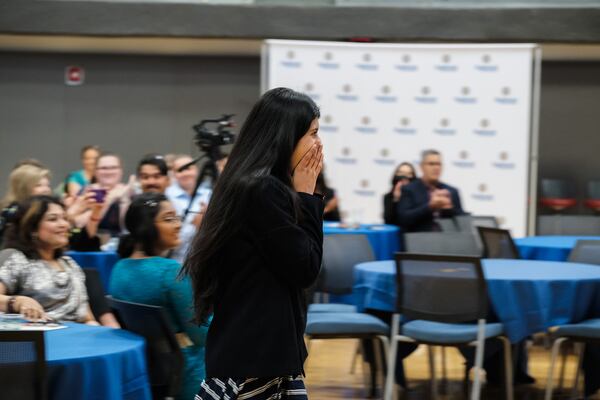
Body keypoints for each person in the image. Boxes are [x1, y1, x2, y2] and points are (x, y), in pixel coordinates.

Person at [183, 87, 324, 399]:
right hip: (254, 359)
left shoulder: (255, 184)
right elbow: (306, 267)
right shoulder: (261, 190)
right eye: (313, 133)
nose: (319, 143)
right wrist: (307, 196)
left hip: (260, 352)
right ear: (287, 136)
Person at [109, 193, 208, 400]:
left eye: (177, 217)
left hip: (146, 370)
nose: (178, 225)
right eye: (169, 218)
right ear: (146, 227)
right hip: (189, 374)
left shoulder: (119, 268)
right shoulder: (169, 271)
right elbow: (201, 336)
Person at [0, 196, 97, 323]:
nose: (64, 225)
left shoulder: (70, 264)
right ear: (32, 228)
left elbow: (86, 317)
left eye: (65, 218)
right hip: (39, 338)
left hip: (77, 336)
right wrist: (17, 301)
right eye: (53, 219)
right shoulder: (16, 258)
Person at [396, 150, 464, 232]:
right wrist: (430, 207)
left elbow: (462, 222)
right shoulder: (409, 189)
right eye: (431, 164)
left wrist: (449, 209)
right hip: (418, 240)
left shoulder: (452, 191)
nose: (436, 168)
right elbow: (403, 219)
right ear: (421, 166)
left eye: (439, 164)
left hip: (447, 240)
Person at [166, 154, 212, 262]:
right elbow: (167, 238)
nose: (185, 174)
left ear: (196, 170)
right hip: (178, 261)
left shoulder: (209, 194)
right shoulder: (167, 197)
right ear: (174, 174)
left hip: (205, 258)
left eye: (188, 168)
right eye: (180, 170)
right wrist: (194, 224)